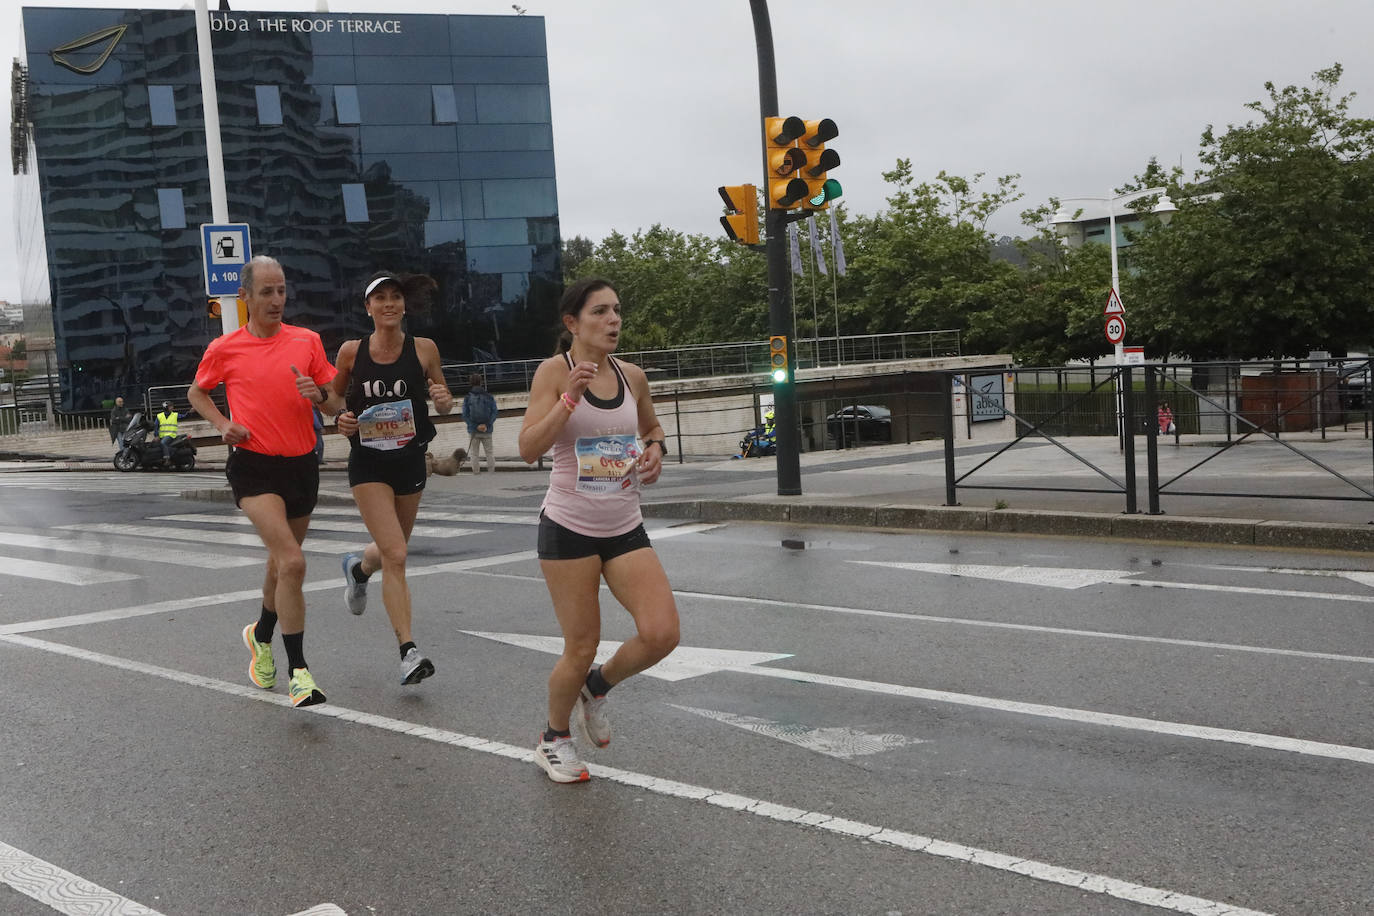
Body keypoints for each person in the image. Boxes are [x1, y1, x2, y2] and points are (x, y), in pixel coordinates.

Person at [517, 277, 680, 783]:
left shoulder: (633, 375)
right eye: (600, 312)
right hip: (569, 525)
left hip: (624, 522)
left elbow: (651, 429)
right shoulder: (553, 372)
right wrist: (567, 399)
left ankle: (597, 686)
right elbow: (527, 447)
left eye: (616, 310)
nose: (614, 321)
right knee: (581, 642)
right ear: (573, 324)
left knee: (662, 633)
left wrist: (655, 451)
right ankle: (552, 739)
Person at [186, 254, 343, 708]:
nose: (277, 300)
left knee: (280, 565)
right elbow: (198, 390)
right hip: (253, 466)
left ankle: (260, 635)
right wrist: (221, 423)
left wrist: (321, 397)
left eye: (282, 290)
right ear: (246, 296)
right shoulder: (226, 347)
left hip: (301, 466)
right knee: (293, 562)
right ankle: (300, 673)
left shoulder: (307, 341)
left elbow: (335, 403)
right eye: (267, 292)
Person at [331, 271, 454, 685]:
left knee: (389, 550)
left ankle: (358, 570)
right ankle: (408, 651)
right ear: (368, 307)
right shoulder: (351, 352)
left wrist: (442, 399)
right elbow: (333, 398)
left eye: (395, 297)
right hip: (368, 464)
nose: (389, 304)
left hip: (410, 460)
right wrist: (341, 418)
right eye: (379, 298)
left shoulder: (424, 349)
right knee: (398, 554)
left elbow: (444, 400)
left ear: (404, 306)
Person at [463, 372, 498, 473]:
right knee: (489, 453)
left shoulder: (467, 398)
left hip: (473, 431)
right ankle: (491, 473)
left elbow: (465, 415)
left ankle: (476, 473)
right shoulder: (489, 396)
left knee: (474, 454)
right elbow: (494, 412)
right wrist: (486, 425)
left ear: (470, 383)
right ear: (481, 382)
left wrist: (475, 426)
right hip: (487, 430)